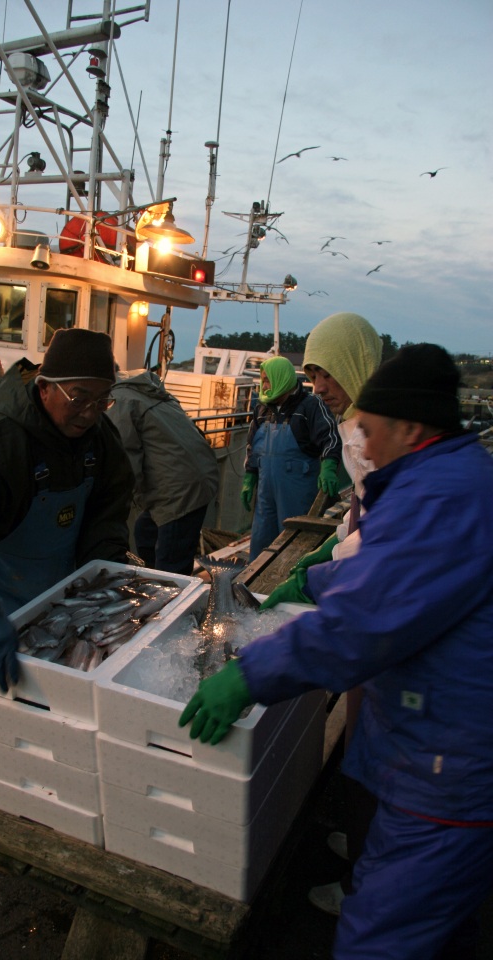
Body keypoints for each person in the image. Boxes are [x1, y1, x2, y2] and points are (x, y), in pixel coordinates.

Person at [180, 344, 493, 960]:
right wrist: (312, 582)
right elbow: (388, 576)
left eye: (370, 431)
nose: (365, 447)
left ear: (409, 427)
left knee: (376, 941)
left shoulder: (440, 497)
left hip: (449, 772)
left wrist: (248, 676)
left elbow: (361, 626)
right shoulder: (445, 476)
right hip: (434, 751)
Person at [0, 328, 134, 804]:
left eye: (103, 401)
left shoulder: (100, 442)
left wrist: (106, 575)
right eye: (79, 397)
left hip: (59, 607)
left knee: (56, 725)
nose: (90, 412)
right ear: (45, 387)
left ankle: (52, 810)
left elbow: (108, 513)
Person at [258, 312, 383, 916]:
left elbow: (385, 537)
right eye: (311, 373)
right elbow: (362, 516)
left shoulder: (375, 435)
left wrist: (321, 571)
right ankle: (364, 849)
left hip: (384, 616)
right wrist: (334, 545)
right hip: (372, 604)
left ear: (356, 364)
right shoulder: (359, 423)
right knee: (364, 740)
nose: (319, 385)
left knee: (368, 745)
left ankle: (367, 886)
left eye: (326, 370)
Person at [106, 368, 219, 576]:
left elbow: (126, 460)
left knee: (171, 562)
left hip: (179, 490)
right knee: (145, 531)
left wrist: (114, 505)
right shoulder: (146, 390)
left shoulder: (120, 400)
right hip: (198, 477)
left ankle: (169, 597)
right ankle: (153, 579)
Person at [240, 356, 342, 561]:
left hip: (298, 489)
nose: (265, 386)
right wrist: (250, 478)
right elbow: (252, 446)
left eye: (269, 380)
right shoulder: (261, 409)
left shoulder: (310, 405)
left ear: (282, 378)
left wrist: (329, 466)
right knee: (262, 538)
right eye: (263, 381)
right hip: (266, 490)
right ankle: (254, 583)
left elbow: (330, 436)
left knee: (295, 543)